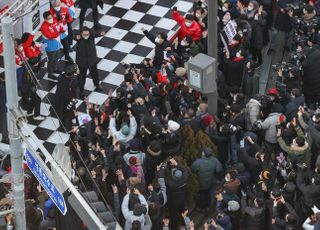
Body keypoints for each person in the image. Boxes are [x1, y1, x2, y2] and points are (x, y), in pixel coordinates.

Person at [75, 26, 105, 96]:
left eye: (87, 34)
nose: (86, 36)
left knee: (95, 73)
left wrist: (101, 33)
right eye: (84, 35)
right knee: (81, 77)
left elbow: (97, 34)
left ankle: (97, 84)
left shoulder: (91, 35)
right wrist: (76, 37)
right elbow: (74, 36)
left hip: (92, 60)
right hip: (81, 61)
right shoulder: (79, 37)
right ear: (81, 34)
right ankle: (81, 90)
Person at [191, 147, 223, 211]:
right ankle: (207, 206)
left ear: (203, 154)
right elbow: (219, 169)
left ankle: (200, 207)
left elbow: (193, 169)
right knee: (208, 193)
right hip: (210, 182)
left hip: (200, 182)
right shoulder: (215, 160)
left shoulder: (198, 162)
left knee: (201, 195)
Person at [40, 11, 65, 80]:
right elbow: (50, 36)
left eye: (51, 17)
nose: (51, 19)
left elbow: (59, 27)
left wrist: (61, 30)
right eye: (49, 18)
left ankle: (55, 68)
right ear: (45, 19)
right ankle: (50, 74)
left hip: (57, 43)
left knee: (56, 57)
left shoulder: (54, 21)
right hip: (50, 46)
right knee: (51, 60)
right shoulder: (43, 27)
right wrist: (58, 32)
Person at [0, 75, 8, 144]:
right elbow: (5, 99)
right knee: (4, 124)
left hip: (2, 108)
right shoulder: (2, 87)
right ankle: (5, 138)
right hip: (2, 109)